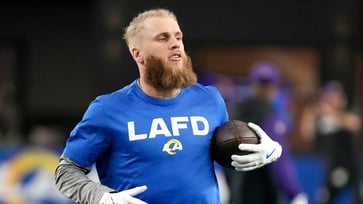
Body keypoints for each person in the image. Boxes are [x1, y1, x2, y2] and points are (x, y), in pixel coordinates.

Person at [54, 8, 282, 204]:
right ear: (137, 54)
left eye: (178, 37)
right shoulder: (107, 109)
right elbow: (65, 172)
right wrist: (103, 197)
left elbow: (228, 154)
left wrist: (271, 150)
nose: (175, 45)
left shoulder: (210, 99)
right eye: (163, 38)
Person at [228, 61, 308, 204]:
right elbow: (279, 161)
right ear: (275, 87)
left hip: (235, 193)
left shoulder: (234, 113)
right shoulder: (270, 117)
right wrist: (295, 193)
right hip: (261, 193)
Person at [300, 81, 362, 204]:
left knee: (359, 198)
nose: (335, 99)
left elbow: (354, 124)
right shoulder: (322, 117)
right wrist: (310, 113)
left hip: (352, 167)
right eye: (332, 96)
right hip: (333, 167)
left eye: (338, 96)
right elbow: (306, 135)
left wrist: (331, 112)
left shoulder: (350, 111)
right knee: (326, 198)